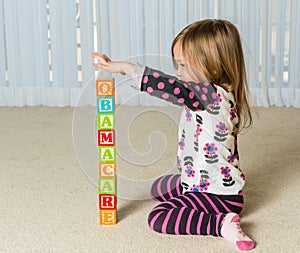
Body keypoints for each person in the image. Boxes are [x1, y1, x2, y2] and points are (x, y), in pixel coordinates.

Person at [92, 19, 255, 251]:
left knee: (159, 217)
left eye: (183, 65)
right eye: (176, 65)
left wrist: (128, 69)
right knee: (159, 187)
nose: (178, 73)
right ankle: (196, 196)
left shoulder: (210, 95)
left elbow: (170, 87)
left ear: (214, 66)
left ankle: (220, 224)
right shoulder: (215, 94)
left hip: (218, 195)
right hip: (201, 181)